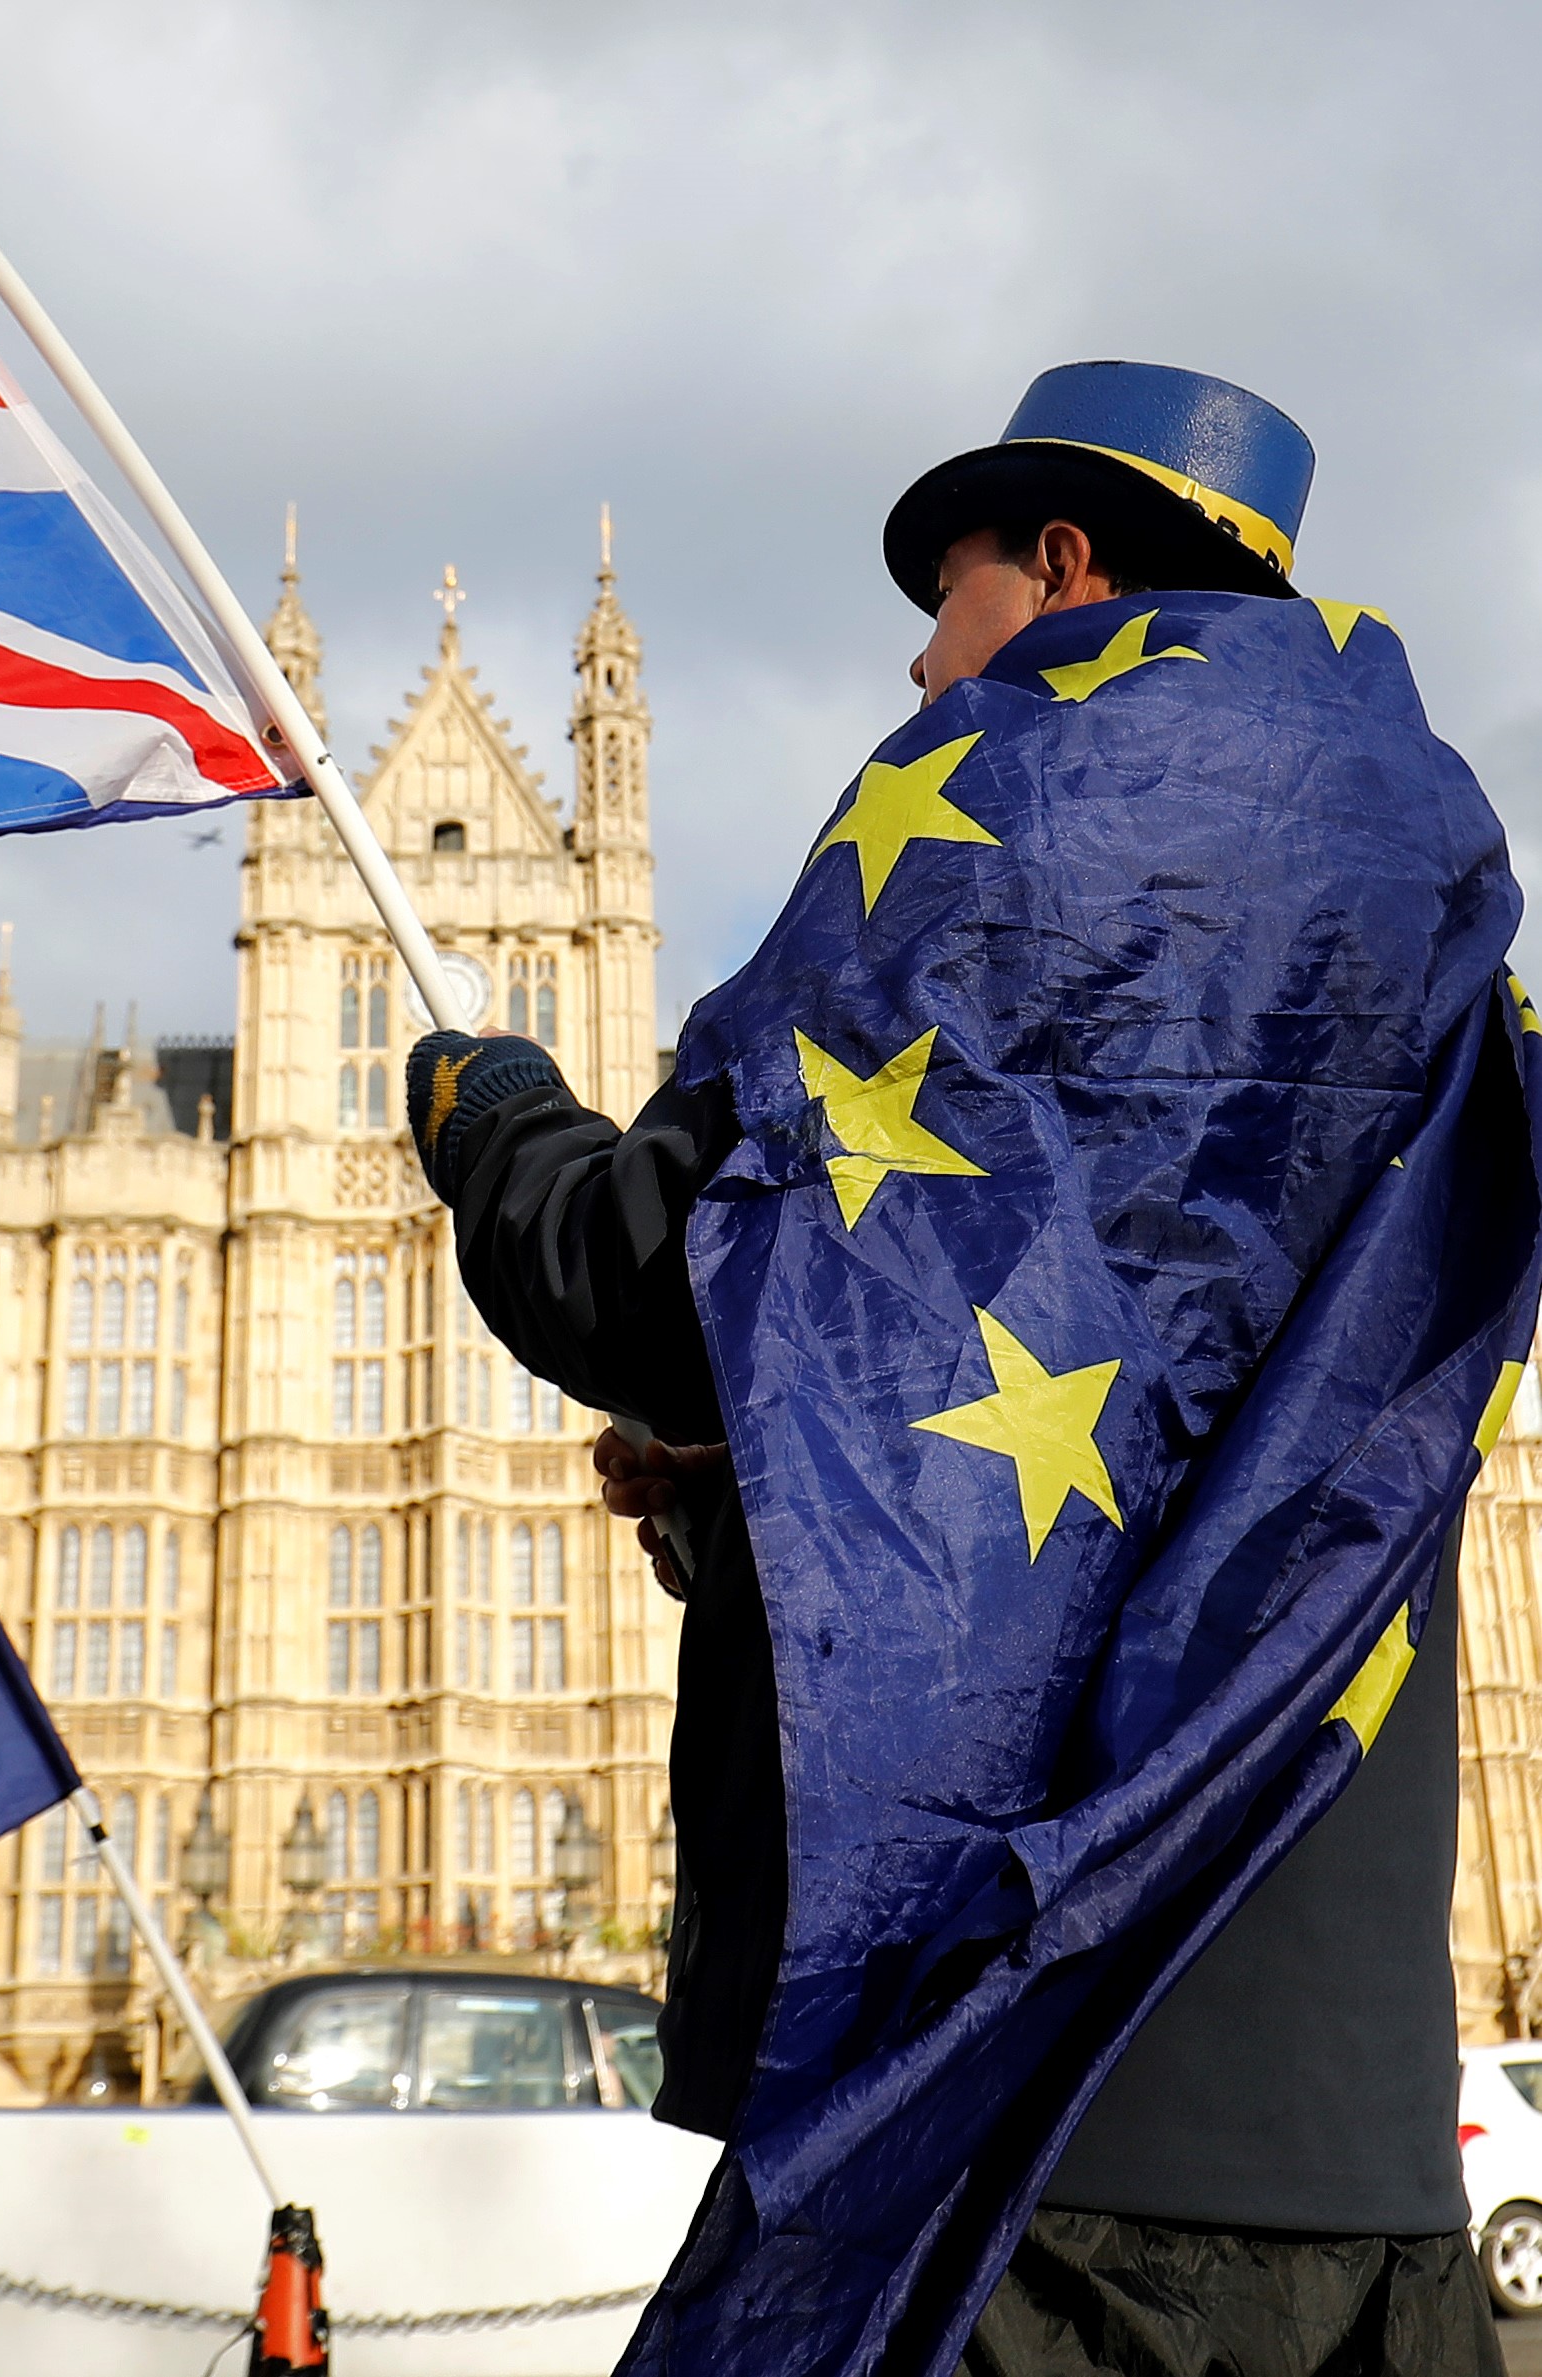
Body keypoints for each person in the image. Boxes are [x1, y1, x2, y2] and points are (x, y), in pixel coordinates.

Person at [405, 363, 1513, 2375]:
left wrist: (492, 1120)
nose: (924, 664)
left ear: (1068, 566)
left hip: (1022, 2119)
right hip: (1360, 2168)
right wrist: (766, 1473)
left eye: (950, 595)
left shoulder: (1010, 826)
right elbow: (1171, 1411)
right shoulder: (1425, 884)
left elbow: (646, 1277)